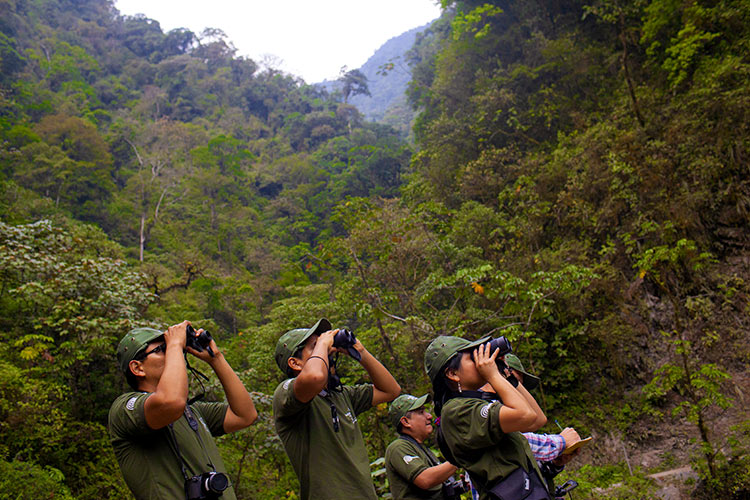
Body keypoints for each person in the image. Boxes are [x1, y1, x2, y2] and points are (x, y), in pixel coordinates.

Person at [108, 322, 257, 500]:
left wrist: (215, 358)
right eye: (161, 349)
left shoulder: (191, 412)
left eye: (169, 348)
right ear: (137, 368)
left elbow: (245, 415)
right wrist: (175, 344)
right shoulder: (124, 408)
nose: (172, 352)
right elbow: (170, 402)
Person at [273, 318, 401, 500]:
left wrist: (360, 351)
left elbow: (391, 390)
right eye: (314, 346)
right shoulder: (285, 395)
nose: (327, 351)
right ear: (295, 363)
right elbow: (314, 377)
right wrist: (323, 343)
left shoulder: (342, 395)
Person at [425, 335, 551, 500]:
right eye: (473, 357)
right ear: (453, 373)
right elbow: (526, 415)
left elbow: (537, 420)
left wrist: (507, 376)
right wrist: (493, 375)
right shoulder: (457, 411)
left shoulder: (471, 403)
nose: (481, 361)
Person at [385, 394, 460, 500]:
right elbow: (425, 479)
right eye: (421, 412)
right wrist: (461, 458)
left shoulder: (422, 448)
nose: (429, 416)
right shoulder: (398, 448)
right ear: (406, 422)